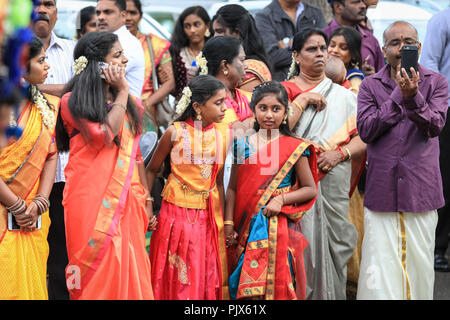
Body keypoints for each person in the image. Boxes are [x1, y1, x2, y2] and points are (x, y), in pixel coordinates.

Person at [55, 31, 154, 300]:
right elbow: (104, 136)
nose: (126, 60)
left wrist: (146, 196)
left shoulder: (130, 105)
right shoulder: (70, 102)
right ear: (99, 65)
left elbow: (135, 157)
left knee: (129, 260)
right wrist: (122, 91)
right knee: (95, 264)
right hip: (88, 197)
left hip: (127, 196)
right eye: (118, 55)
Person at [356, 21, 448, 300]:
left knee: (420, 268)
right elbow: (367, 130)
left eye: (408, 42)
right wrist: (399, 94)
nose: (401, 47)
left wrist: (414, 97)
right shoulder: (370, 85)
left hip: (421, 191)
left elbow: (435, 127)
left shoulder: (436, 82)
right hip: (382, 190)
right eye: (394, 43)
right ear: (384, 50)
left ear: (418, 48)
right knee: (379, 269)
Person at [282, 28, 366, 299]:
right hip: (296, 183)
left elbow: (364, 138)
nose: (320, 53)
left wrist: (339, 155)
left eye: (322, 48)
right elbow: (276, 134)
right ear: (296, 55)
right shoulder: (284, 92)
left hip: (332, 180)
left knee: (335, 247)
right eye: (311, 49)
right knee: (299, 250)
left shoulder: (343, 95)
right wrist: (303, 99)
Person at [225, 81, 318, 300]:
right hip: (243, 225)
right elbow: (232, 189)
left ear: (286, 112)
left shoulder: (295, 147)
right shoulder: (241, 145)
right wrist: (229, 224)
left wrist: (281, 200)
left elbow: (310, 189)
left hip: (278, 226)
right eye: (263, 108)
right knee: (242, 285)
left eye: (276, 109)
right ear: (253, 110)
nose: (269, 115)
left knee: (277, 283)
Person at [147, 75, 232, 300]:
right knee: (177, 274)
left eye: (225, 101)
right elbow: (151, 169)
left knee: (204, 272)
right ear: (197, 106)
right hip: (175, 216)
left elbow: (219, 182)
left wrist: (223, 222)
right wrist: (147, 205)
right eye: (218, 102)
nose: (225, 108)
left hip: (207, 217)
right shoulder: (174, 132)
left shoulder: (224, 133)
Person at [0, 36, 59, 300]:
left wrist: (40, 200)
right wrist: (16, 205)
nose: (48, 66)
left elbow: (51, 154)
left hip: (32, 212)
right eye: (41, 60)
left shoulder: (45, 105)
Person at [31, 0, 76, 300]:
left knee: (61, 252)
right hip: (21, 178)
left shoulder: (73, 51)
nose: (42, 9)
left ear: (57, 11)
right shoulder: (7, 50)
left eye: (49, 3)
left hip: (63, 169)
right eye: (36, 4)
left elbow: (77, 92)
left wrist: (31, 86)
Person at [420, 7, 450, 273]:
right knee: (446, 178)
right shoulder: (443, 19)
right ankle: (438, 248)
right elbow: (430, 64)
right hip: (448, 110)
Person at [125, 0, 175, 133]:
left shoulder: (155, 44)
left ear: (140, 16)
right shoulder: (110, 41)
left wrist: (146, 104)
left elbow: (170, 83)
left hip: (146, 112)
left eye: (133, 13)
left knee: (144, 151)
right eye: (125, 13)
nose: (128, 17)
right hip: (115, 109)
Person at [255, 0, 327, 81]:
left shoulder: (315, 13)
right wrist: (308, 53)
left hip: (317, 80)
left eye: (310, 49)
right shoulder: (264, 17)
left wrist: (288, 43)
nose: (318, 53)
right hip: (282, 83)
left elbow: (326, 50)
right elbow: (271, 57)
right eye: (312, 49)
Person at [211, 4, 272, 92]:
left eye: (220, 31)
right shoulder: (230, 63)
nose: (215, 37)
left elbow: (246, 105)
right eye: (214, 32)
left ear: (236, 32)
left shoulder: (249, 70)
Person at [96, 0, 145, 98]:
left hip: (124, 109)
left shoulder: (128, 43)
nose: (100, 17)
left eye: (107, 12)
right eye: (98, 13)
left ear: (123, 16)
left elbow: (97, 76)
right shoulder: (107, 40)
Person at [325, 0, 384, 76]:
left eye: (363, 2)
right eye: (356, 2)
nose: (363, 6)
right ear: (338, 7)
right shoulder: (321, 38)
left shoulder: (370, 40)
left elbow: (382, 77)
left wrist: (371, 80)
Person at [169, 6, 211, 101]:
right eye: (187, 26)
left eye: (197, 25)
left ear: (207, 26)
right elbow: (170, 85)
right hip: (181, 109)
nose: (192, 30)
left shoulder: (214, 51)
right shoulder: (176, 52)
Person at [328, 26, 365, 93]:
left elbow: (354, 99)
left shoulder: (355, 77)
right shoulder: (320, 71)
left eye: (343, 48)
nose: (335, 50)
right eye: (332, 45)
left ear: (353, 54)